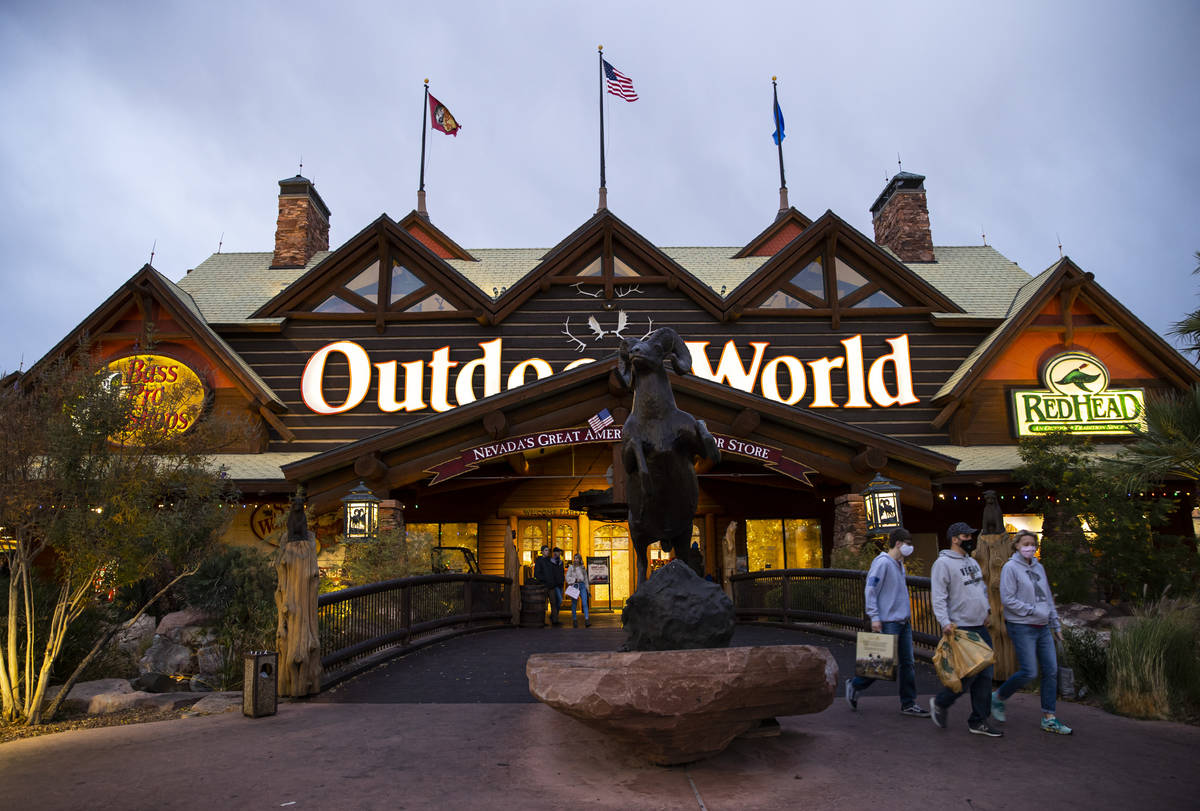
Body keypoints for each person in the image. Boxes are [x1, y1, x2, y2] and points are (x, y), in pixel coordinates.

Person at [992, 531, 1073, 735]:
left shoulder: (1039, 567)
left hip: (1043, 626)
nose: (1030, 547)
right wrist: (1032, 611)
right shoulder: (1010, 568)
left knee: (1051, 670)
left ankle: (1049, 717)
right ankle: (999, 696)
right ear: (1017, 545)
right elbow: (1008, 599)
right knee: (1029, 671)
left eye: (1033, 544)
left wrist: (1055, 624)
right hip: (1022, 625)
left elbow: (1046, 597)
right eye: (1026, 543)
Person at [845, 527, 929, 717]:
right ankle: (855, 685)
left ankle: (908, 703)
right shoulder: (883, 563)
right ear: (898, 543)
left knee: (907, 663)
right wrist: (874, 616)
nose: (910, 547)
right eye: (908, 544)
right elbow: (871, 589)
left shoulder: (900, 564)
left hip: (902, 621)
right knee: (881, 665)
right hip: (889, 620)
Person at [929, 521, 1002, 737]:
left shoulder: (971, 562)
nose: (970, 539)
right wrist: (944, 622)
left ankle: (978, 720)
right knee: (970, 674)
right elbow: (939, 596)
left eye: (970, 536)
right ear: (954, 539)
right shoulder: (942, 564)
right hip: (962, 627)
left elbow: (980, 588)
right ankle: (943, 703)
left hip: (979, 624)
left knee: (985, 674)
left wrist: (987, 610)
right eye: (966, 536)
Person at [566, 553, 591, 627]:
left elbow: (586, 579)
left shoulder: (583, 567)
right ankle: (574, 620)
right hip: (575, 585)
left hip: (582, 585)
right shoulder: (571, 567)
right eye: (575, 558)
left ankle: (587, 620)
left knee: (584, 603)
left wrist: (588, 589)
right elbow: (567, 577)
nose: (576, 560)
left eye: (577, 558)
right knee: (574, 604)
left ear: (580, 559)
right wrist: (574, 580)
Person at [543, 547, 566, 626]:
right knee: (559, 600)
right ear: (553, 553)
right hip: (554, 584)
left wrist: (563, 581)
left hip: (560, 584)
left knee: (558, 602)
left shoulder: (561, 562)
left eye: (558, 552)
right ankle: (554, 616)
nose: (557, 553)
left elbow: (562, 572)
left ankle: (554, 616)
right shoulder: (551, 562)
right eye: (555, 552)